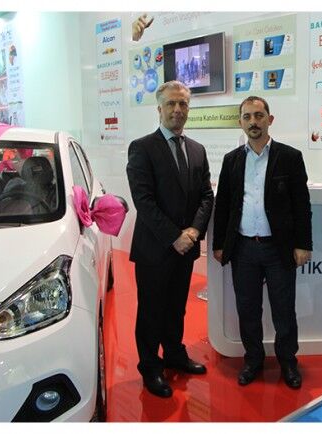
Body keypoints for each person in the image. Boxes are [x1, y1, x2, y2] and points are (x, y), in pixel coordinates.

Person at [212, 96, 312, 389]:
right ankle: (253, 360)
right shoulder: (232, 160)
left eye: (258, 115)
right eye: (247, 117)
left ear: (270, 119)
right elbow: (224, 205)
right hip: (243, 248)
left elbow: (301, 205)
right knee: (248, 310)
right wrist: (220, 244)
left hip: (278, 249)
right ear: (240, 122)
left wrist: (303, 244)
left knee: (284, 310)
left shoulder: (290, 157)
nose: (253, 122)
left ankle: (288, 362)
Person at [126, 80, 214, 398]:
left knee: (177, 308)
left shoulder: (197, 150)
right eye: (171, 104)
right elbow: (144, 200)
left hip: (186, 247)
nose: (178, 109)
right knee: (151, 310)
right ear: (159, 109)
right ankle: (151, 366)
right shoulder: (142, 148)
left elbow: (206, 196)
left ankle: (175, 354)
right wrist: (174, 236)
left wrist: (194, 231)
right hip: (155, 249)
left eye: (183, 104)